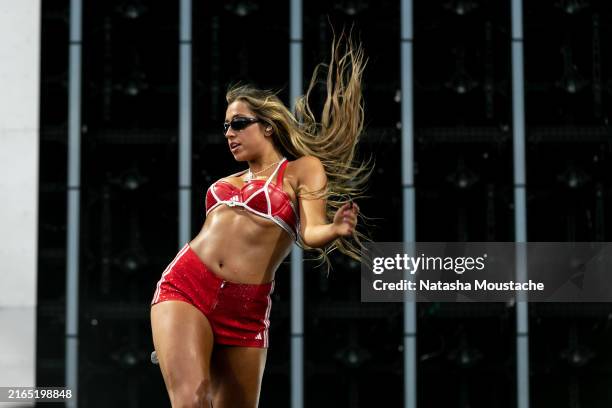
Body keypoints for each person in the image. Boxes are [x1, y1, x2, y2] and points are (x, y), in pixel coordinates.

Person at [150, 31, 371, 408]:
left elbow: (311, 230)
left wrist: (334, 229)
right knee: (191, 401)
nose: (229, 134)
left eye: (238, 124)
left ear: (267, 126)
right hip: (187, 284)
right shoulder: (226, 182)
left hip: (247, 308)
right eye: (225, 127)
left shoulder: (302, 169)